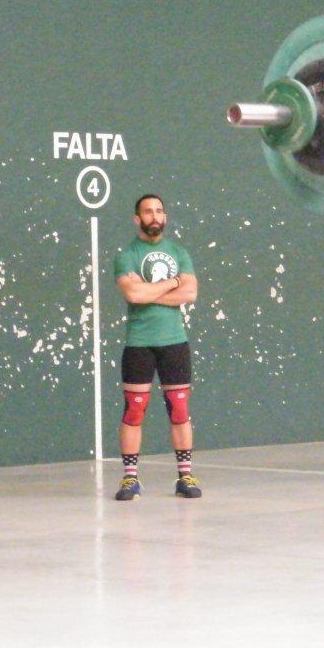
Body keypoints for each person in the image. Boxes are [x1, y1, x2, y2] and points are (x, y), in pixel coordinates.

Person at [112, 194, 201, 500]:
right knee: (134, 411)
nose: (154, 216)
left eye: (159, 210)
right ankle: (130, 479)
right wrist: (173, 283)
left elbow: (190, 292)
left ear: (165, 217)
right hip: (138, 343)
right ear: (137, 219)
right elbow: (133, 295)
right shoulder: (126, 256)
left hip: (174, 341)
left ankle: (185, 477)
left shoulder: (179, 252)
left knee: (180, 409)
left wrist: (150, 290)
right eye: (148, 211)